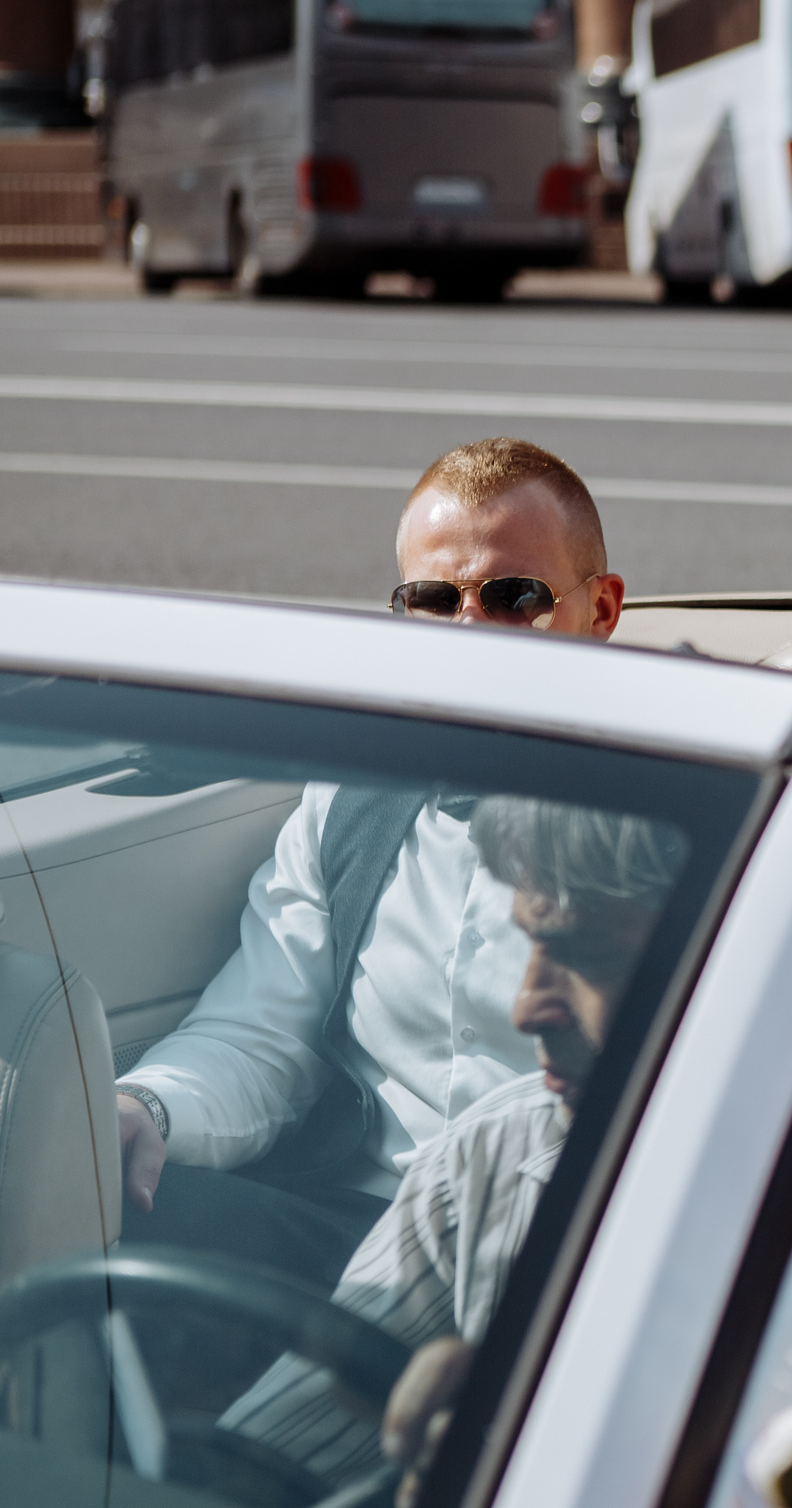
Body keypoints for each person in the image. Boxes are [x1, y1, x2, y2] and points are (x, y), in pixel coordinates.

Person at [225, 797, 792, 1504]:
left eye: (581, 956)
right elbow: (255, 1469)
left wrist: (549, 1448)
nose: (528, 1006)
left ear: (763, 962)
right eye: (532, 942)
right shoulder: (489, 1157)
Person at [112, 438, 628, 1291]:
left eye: (514, 597)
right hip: (351, 1228)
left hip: (561, 1255)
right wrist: (145, 1108)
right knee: (108, 1230)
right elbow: (260, 1035)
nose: (469, 632)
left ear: (601, 610)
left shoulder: (678, 830)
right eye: (433, 599)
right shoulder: (350, 799)